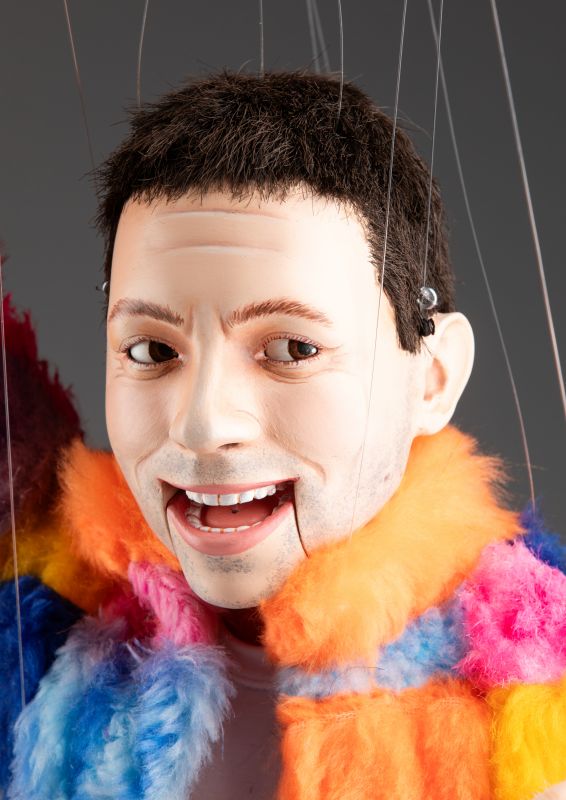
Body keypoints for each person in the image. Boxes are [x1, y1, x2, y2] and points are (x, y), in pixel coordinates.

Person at [1, 71, 565, 800]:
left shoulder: (536, 692)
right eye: (151, 350)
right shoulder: (45, 639)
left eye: (293, 349)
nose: (202, 424)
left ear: (432, 378)